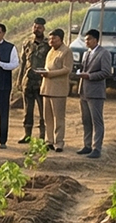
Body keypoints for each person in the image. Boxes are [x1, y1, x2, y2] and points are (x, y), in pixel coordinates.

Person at [76, 29, 111, 157]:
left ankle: (97, 148)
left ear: (95, 40)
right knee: (86, 120)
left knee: (97, 120)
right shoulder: (87, 53)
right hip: (84, 90)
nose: (86, 42)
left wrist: (89, 76)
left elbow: (106, 72)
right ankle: (87, 145)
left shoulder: (104, 53)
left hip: (96, 92)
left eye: (88, 39)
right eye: (85, 40)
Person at [39, 30, 71, 152]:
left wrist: (50, 74)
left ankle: (59, 142)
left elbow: (67, 69)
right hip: (46, 87)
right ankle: (49, 141)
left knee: (59, 117)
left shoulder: (66, 51)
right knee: (47, 117)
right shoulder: (50, 51)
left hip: (59, 89)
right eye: (50, 39)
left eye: (54, 39)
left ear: (61, 39)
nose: (51, 41)